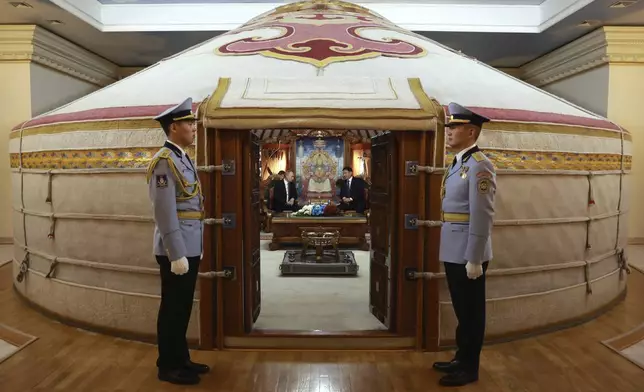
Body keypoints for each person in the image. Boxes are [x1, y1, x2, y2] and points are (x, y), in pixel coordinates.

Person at [146, 97, 210, 385]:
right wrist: (176, 252)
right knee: (172, 306)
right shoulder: (164, 162)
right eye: (189, 123)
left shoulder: (182, 157)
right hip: (177, 247)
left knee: (182, 305)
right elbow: (164, 210)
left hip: (189, 243)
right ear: (174, 128)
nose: (194, 128)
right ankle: (167, 365)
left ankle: (180, 358)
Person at [432, 102, 496, 387]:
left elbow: (482, 213)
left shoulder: (480, 166)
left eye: (454, 127)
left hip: (469, 251)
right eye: (449, 127)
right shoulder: (458, 163)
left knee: (472, 312)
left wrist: (474, 257)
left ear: (471, 132)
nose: (449, 132)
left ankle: (470, 367)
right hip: (453, 246)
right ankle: (461, 356)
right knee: (461, 309)